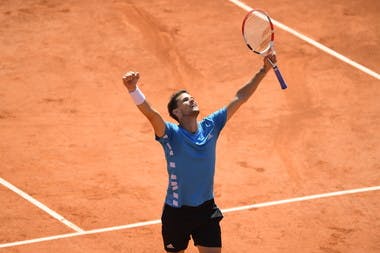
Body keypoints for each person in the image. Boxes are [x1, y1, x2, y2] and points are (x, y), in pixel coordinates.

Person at [122, 53, 276, 253]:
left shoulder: (211, 125)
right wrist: (133, 89)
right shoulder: (171, 134)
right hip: (177, 212)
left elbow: (240, 97)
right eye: (185, 100)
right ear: (176, 112)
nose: (192, 99)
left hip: (206, 209)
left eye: (191, 97)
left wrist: (264, 70)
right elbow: (152, 114)